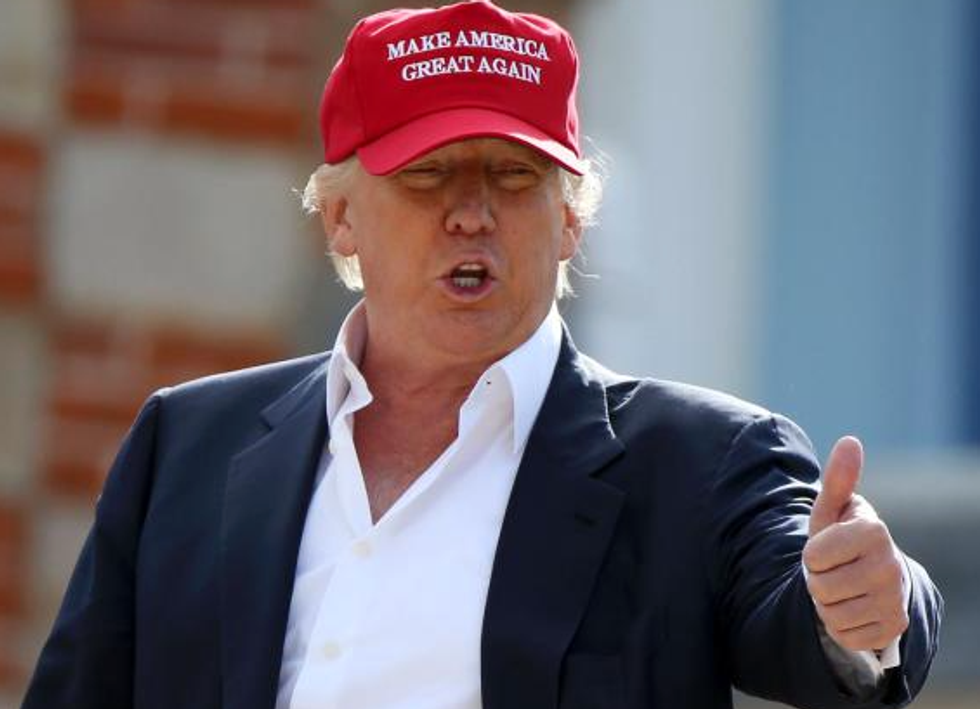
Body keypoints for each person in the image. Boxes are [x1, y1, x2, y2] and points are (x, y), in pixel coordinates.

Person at [22, 2, 941, 708]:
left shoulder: (700, 459)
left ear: (571, 219)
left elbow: (816, 619)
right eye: (427, 175)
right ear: (340, 218)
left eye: (514, 175)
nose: (472, 213)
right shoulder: (187, 445)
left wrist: (863, 604)